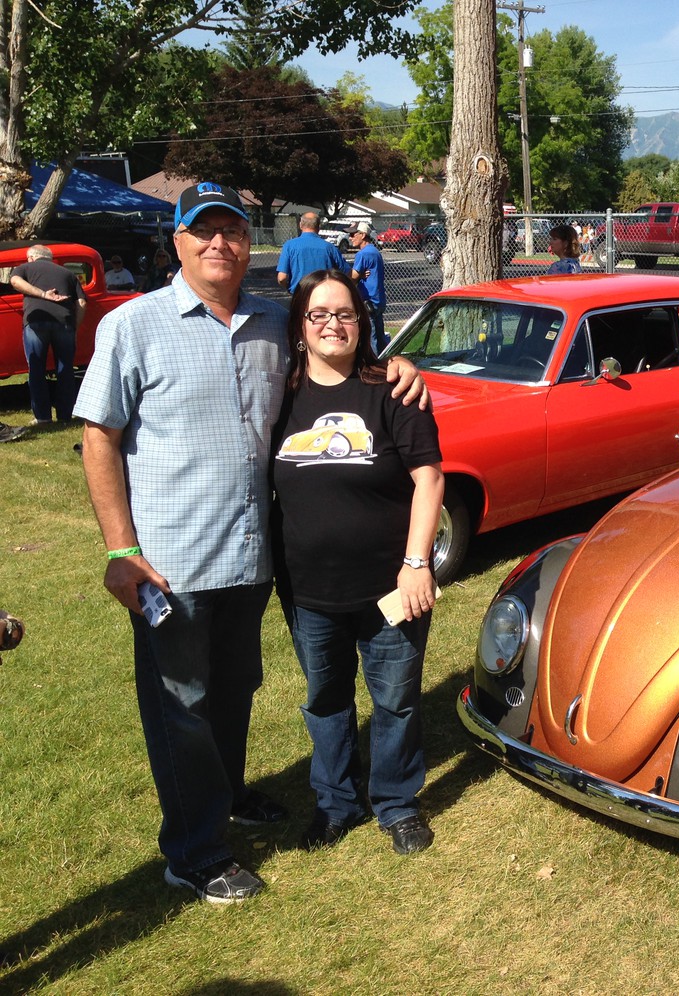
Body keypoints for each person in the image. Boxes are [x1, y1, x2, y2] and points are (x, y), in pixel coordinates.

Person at [72, 181, 427, 904]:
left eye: (232, 230)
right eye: (203, 232)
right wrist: (118, 550)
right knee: (182, 705)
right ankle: (195, 853)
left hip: (252, 560)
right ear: (177, 241)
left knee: (234, 693)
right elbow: (98, 437)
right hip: (170, 565)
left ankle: (227, 795)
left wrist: (396, 365)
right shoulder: (134, 326)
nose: (220, 244)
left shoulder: (272, 322)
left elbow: (336, 361)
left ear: (247, 240)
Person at [273, 269, 443, 856]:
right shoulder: (280, 395)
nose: (333, 325)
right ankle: (335, 803)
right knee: (326, 698)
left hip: (388, 587)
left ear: (362, 321)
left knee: (394, 698)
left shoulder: (392, 390)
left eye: (345, 313)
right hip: (307, 588)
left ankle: (396, 803)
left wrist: (417, 562)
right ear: (301, 327)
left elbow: (429, 479)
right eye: (319, 314)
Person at [10, 243, 87, 425]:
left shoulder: (25, 267)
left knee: (36, 369)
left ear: (31, 257)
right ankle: (65, 416)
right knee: (65, 369)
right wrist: (75, 325)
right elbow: (82, 303)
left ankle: (43, 417)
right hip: (65, 323)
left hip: (36, 323)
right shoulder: (68, 274)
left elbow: (15, 282)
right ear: (50, 258)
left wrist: (43, 294)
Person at [276, 211, 347, 293]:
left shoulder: (289, 246)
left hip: (300, 294)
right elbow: (346, 273)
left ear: (300, 225)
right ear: (318, 227)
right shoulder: (330, 247)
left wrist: (290, 288)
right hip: (324, 294)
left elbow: (282, 278)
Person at [349, 222, 388, 353]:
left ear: (363, 235)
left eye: (353, 234)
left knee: (371, 341)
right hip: (378, 300)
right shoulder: (375, 251)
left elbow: (352, 277)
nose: (350, 237)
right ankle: (384, 365)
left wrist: (358, 276)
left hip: (368, 301)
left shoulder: (363, 254)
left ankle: (374, 369)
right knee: (380, 337)